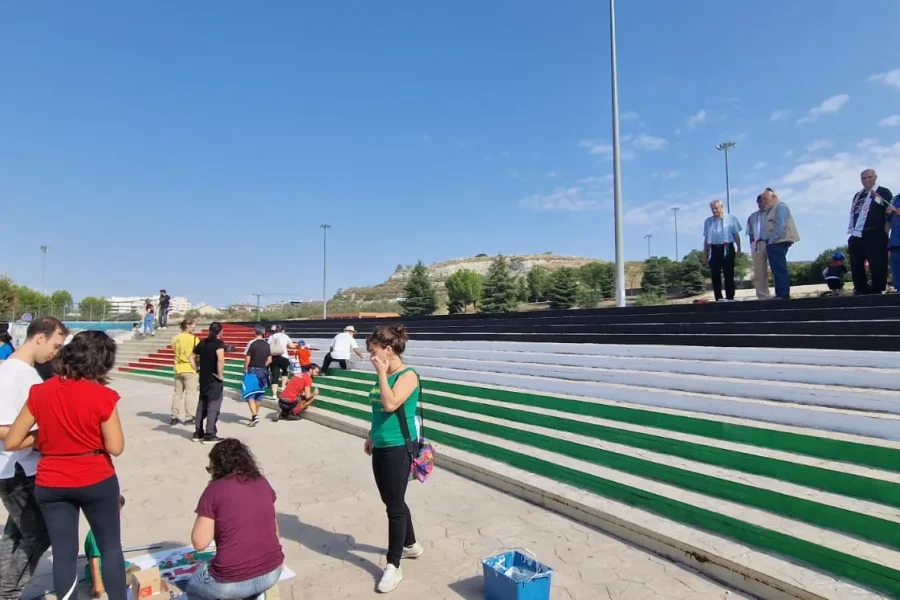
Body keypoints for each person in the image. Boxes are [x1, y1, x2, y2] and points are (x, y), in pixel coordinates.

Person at [4, 330, 126, 600]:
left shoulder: (40, 392)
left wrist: (44, 435)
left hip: (52, 480)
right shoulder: (103, 396)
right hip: (96, 476)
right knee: (110, 547)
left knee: (63, 552)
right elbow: (116, 447)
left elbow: (12, 441)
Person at [0, 316, 67, 600]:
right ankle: (8, 592)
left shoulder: (26, 371)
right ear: (39, 337)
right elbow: (3, 429)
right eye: (55, 344)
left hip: (23, 466)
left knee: (16, 534)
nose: (55, 352)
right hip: (15, 469)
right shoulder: (12, 374)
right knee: (39, 534)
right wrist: (45, 437)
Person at [363, 324, 424, 594]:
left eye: (374, 351)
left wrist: (380, 374)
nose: (370, 357)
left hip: (399, 447)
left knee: (394, 506)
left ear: (388, 350)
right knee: (392, 500)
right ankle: (410, 544)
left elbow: (390, 404)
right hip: (381, 444)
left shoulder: (408, 375)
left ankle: (393, 564)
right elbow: (379, 410)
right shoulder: (385, 374)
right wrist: (371, 434)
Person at [187, 439, 283, 600]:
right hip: (273, 572)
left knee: (194, 586)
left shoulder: (214, 491)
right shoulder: (263, 482)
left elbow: (199, 543)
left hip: (231, 582)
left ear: (216, 467)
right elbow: (275, 530)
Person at [848, 169, 893, 295]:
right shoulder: (858, 195)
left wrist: (887, 228)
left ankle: (878, 289)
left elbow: (889, 209)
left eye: (869, 177)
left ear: (875, 177)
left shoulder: (883, 191)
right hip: (857, 233)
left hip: (875, 231)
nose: (867, 180)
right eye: (863, 178)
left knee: (877, 262)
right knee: (856, 263)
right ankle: (861, 288)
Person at [85, 495, 131, 598]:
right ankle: (103, 585)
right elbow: (94, 560)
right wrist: (97, 584)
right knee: (135, 574)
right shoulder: (96, 532)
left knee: (135, 569)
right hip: (105, 572)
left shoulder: (108, 527)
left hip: (112, 565)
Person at [760, 188, 800, 300]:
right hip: (773, 242)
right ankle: (780, 293)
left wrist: (771, 241)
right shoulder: (770, 209)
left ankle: (783, 294)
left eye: (765, 198)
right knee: (776, 269)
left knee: (779, 268)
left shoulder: (781, 207)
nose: (763, 201)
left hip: (778, 242)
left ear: (774, 197)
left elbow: (780, 226)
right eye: (762, 199)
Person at [192, 323, 227, 444]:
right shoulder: (219, 344)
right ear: (220, 331)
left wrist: (196, 368)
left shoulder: (202, 342)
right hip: (213, 379)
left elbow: (191, 356)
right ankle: (209, 434)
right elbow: (220, 359)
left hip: (203, 378)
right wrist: (220, 375)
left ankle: (198, 432)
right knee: (213, 406)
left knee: (201, 405)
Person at [702, 200, 742, 301]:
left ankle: (730, 297)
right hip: (714, 248)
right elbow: (706, 238)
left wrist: (739, 248)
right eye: (712, 209)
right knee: (715, 274)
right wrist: (705, 253)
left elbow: (736, 235)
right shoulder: (708, 221)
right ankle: (718, 297)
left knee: (729, 273)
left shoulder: (731, 219)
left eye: (716, 208)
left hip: (727, 247)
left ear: (722, 207)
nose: (714, 211)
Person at [171, 319, 199, 426]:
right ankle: (189, 417)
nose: (194, 328)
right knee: (190, 394)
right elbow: (196, 354)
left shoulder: (175, 338)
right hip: (190, 368)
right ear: (187, 326)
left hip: (178, 367)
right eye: (193, 326)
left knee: (177, 394)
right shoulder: (194, 339)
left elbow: (174, 350)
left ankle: (174, 416)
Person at [243, 325, 271, 427]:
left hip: (252, 370)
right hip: (263, 371)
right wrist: (263, 366)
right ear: (263, 333)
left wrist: (245, 369)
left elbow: (247, 358)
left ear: (255, 332)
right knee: (259, 394)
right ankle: (255, 415)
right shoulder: (267, 345)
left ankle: (254, 415)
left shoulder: (252, 344)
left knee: (250, 394)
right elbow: (269, 360)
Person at [746, 195, 771, 300]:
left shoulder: (773, 214)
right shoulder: (752, 216)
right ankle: (762, 295)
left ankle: (781, 293)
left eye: (764, 201)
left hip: (772, 242)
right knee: (759, 271)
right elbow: (750, 232)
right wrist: (752, 245)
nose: (762, 204)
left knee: (776, 269)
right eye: (760, 202)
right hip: (758, 244)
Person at [267, 325, 296, 399]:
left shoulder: (271, 337)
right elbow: (291, 345)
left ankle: (274, 394)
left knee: (275, 376)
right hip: (284, 357)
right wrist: (297, 345)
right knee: (285, 372)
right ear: (282, 330)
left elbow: (268, 347)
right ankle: (283, 387)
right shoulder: (285, 336)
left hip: (274, 358)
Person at [886, 192, 900, 292]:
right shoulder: (895, 198)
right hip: (895, 241)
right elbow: (888, 221)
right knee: (897, 269)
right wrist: (888, 212)